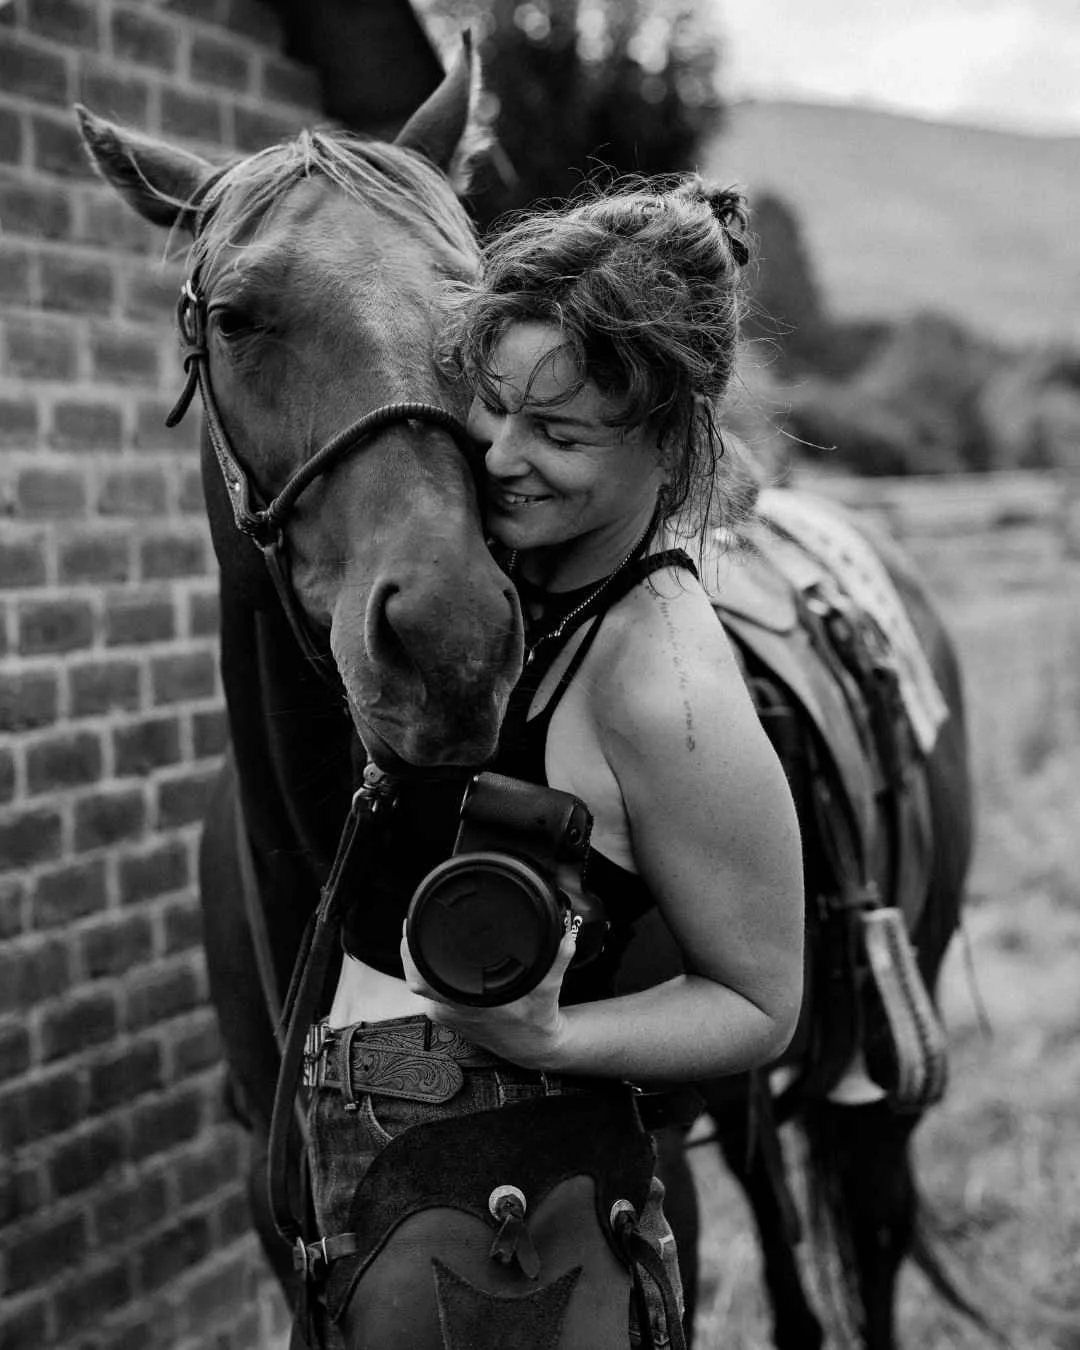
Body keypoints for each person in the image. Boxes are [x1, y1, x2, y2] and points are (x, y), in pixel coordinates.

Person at [299, 176, 805, 1350]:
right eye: (493, 409)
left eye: (560, 433)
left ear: (670, 438)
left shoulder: (663, 685)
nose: (504, 457)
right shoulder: (507, 588)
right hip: (388, 1238)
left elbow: (759, 1001)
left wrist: (559, 1039)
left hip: (543, 1268)